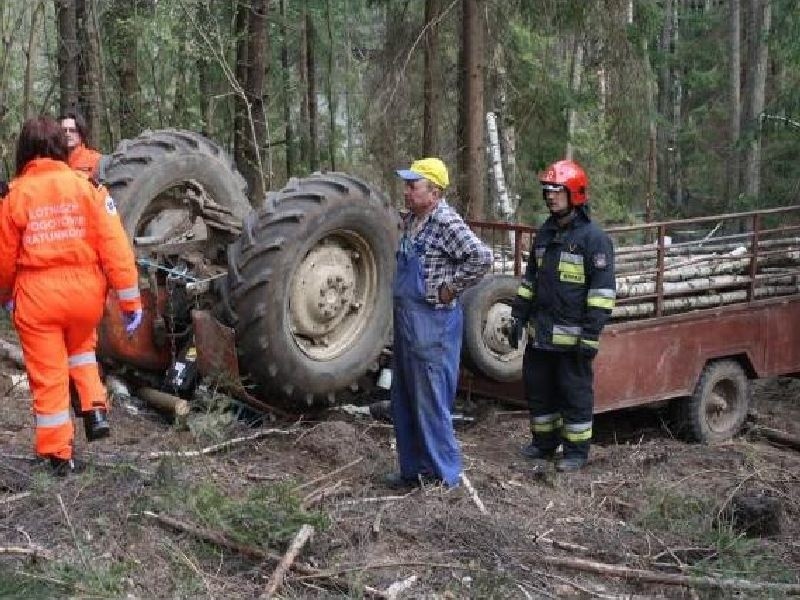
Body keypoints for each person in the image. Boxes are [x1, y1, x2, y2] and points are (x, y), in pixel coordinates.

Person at [0, 116, 142, 475]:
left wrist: (4, 295)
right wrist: (130, 302)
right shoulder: (89, 188)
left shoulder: (15, 195)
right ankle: (95, 409)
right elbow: (117, 250)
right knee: (81, 351)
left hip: (38, 300)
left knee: (48, 375)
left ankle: (59, 455)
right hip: (84, 298)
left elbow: (4, 258)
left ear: (26, 151)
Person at [386, 157, 492, 488]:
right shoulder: (411, 221)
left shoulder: (446, 222)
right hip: (406, 323)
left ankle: (444, 477)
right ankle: (412, 472)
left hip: (433, 324)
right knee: (403, 397)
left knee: (431, 400)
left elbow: (482, 258)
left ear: (434, 191)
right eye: (406, 184)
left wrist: (449, 288)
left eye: (412, 185)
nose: (406, 191)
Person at [508, 159, 615, 472]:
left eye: (557, 190)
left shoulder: (594, 240)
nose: (550, 196)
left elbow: (602, 292)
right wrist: (517, 316)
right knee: (539, 393)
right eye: (547, 190)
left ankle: (575, 453)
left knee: (574, 397)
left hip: (573, 341)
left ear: (575, 194)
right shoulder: (545, 234)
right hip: (540, 337)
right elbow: (530, 282)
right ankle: (543, 445)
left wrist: (591, 335)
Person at [60, 111, 102, 177]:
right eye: (64, 130)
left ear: (81, 133)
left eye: (72, 130)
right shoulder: (55, 160)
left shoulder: (96, 159)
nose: (67, 134)